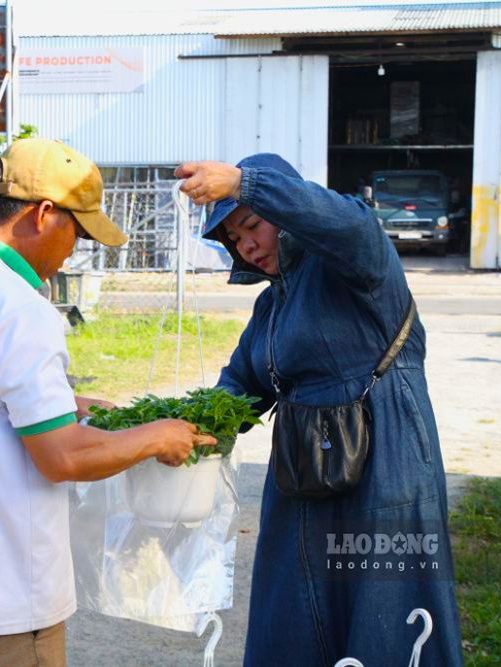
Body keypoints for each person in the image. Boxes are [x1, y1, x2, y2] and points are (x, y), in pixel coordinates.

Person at [0, 138, 215, 667]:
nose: (71, 253)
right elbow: (63, 458)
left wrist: (67, 401)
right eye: (77, 232)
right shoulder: (17, 305)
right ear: (43, 214)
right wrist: (158, 436)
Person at [176, 155, 464, 666]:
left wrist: (248, 184)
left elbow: (352, 222)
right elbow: (238, 389)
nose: (246, 245)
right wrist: (168, 432)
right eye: (232, 239)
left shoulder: (358, 266)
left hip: (385, 476)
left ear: (287, 209)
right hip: (302, 484)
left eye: (252, 224)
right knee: (293, 618)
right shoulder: (272, 306)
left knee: (385, 624)